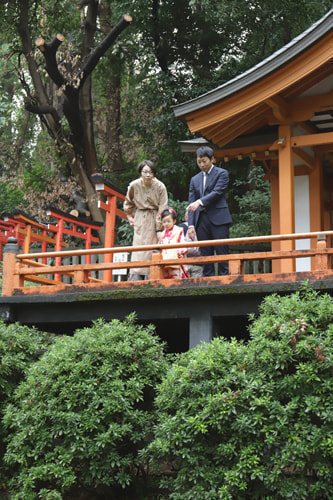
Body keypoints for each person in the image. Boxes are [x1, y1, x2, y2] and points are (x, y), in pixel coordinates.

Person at [187, 145, 232, 276]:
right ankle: (208, 281)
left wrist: (200, 202)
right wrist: (191, 225)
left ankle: (225, 280)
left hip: (219, 218)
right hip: (201, 220)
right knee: (205, 254)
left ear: (212, 159)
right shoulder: (194, 179)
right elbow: (191, 204)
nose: (202, 165)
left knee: (222, 252)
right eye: (199, 162)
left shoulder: (222, 173)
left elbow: (217, 192)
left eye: (204, 161)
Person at [123, 159, 168, 280]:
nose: (148, 175)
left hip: (155, 218)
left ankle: (153, 276)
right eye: (145, 172)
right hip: (140, 218)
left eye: (151, 172)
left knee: (154, 248)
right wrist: (129, 216)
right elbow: (128, 202)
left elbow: (162, 208)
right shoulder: (134, 185)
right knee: (138, 249)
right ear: (140, 172)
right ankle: (136, 276)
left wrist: (159, 228)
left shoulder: (160, 186)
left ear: (154, 173)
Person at [158, 207, 188, 279]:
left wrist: (180, 252)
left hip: (176, 258)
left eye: (168, 221)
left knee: (177, 279)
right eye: (164, 222)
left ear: (174, 221)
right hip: (164, 260)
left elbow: (182, 243)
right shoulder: (162, 234)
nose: (166, 224)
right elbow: (159, 245)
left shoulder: (178, 230)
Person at [178, 210, 202, 278]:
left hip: (184, 262)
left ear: (186, 217)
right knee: (197, 286)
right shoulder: (201, 226)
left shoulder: (180, 227)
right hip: (198, 262)